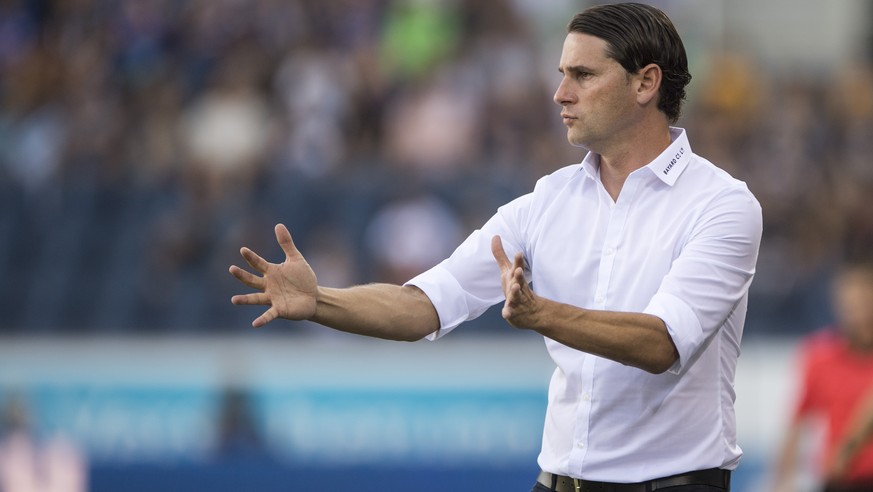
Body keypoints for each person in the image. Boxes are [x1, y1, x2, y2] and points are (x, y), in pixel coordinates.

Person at [229, 3, 762, 491]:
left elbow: (662, 344)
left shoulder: (721, 206)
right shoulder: (545, 202)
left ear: (646, 83)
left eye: (582, 75)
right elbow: (425, 305)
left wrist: (541, 314)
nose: (561, 93)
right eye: (561, 75)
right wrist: (320, 301)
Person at [774, 262, 873, 492]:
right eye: (848, 304)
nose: (855, 313)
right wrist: (781, 481)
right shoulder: (820, 356)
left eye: (862, 303)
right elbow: (797, 422)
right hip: (838, 479)